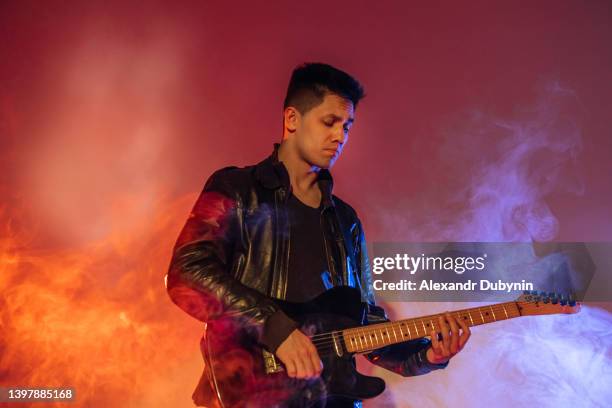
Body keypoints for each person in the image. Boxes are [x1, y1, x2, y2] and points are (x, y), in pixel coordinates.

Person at [166, 62, 470, 407]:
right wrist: (276, 328)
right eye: (330, 122)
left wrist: (427, 355)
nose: (340, 136)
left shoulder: (345, 221)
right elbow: (186, 272)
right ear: (292, 119)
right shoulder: (236, 190)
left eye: (347, 126)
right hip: (249, 393)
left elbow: (365, 325)